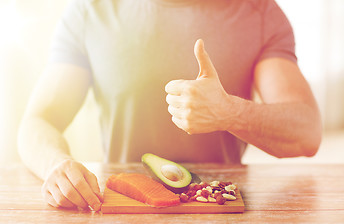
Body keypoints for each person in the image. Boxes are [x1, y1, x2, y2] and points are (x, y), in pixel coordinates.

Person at [18, 0, 322, 211]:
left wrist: (229, 111)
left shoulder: (260, 13)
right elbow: (39, 121)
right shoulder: (89, 11)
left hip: (217, 211)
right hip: (122, 209)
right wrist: (54, 165)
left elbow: (306, 132)